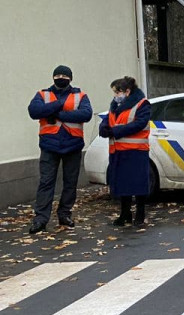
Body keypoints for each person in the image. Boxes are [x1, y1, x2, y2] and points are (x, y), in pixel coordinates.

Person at [27, 65, 93, 233]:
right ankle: (41, 219)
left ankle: (64, 214)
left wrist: (56, 113)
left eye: (64, 75)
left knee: (70, 183)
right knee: (46, 183)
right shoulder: (43, 94)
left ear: (70, 78)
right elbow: (34, 111)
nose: (60, 77)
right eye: (57, 75)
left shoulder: (80, 95)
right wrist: (59, 104)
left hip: (73, 145)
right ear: (53, 77)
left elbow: (85, 114)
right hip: (49, 145)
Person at [99, 77, 152, 227]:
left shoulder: (142, 104)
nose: (115, 95)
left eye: (117, 92)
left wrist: (115, 131)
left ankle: (140, 214)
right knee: (122, 184)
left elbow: (139, 124)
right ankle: (125, 214)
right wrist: (104, 129)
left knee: (138, 184)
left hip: (135, 151)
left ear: (127, 91)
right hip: (118, 150)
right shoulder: (115, 105)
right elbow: (107, 121)